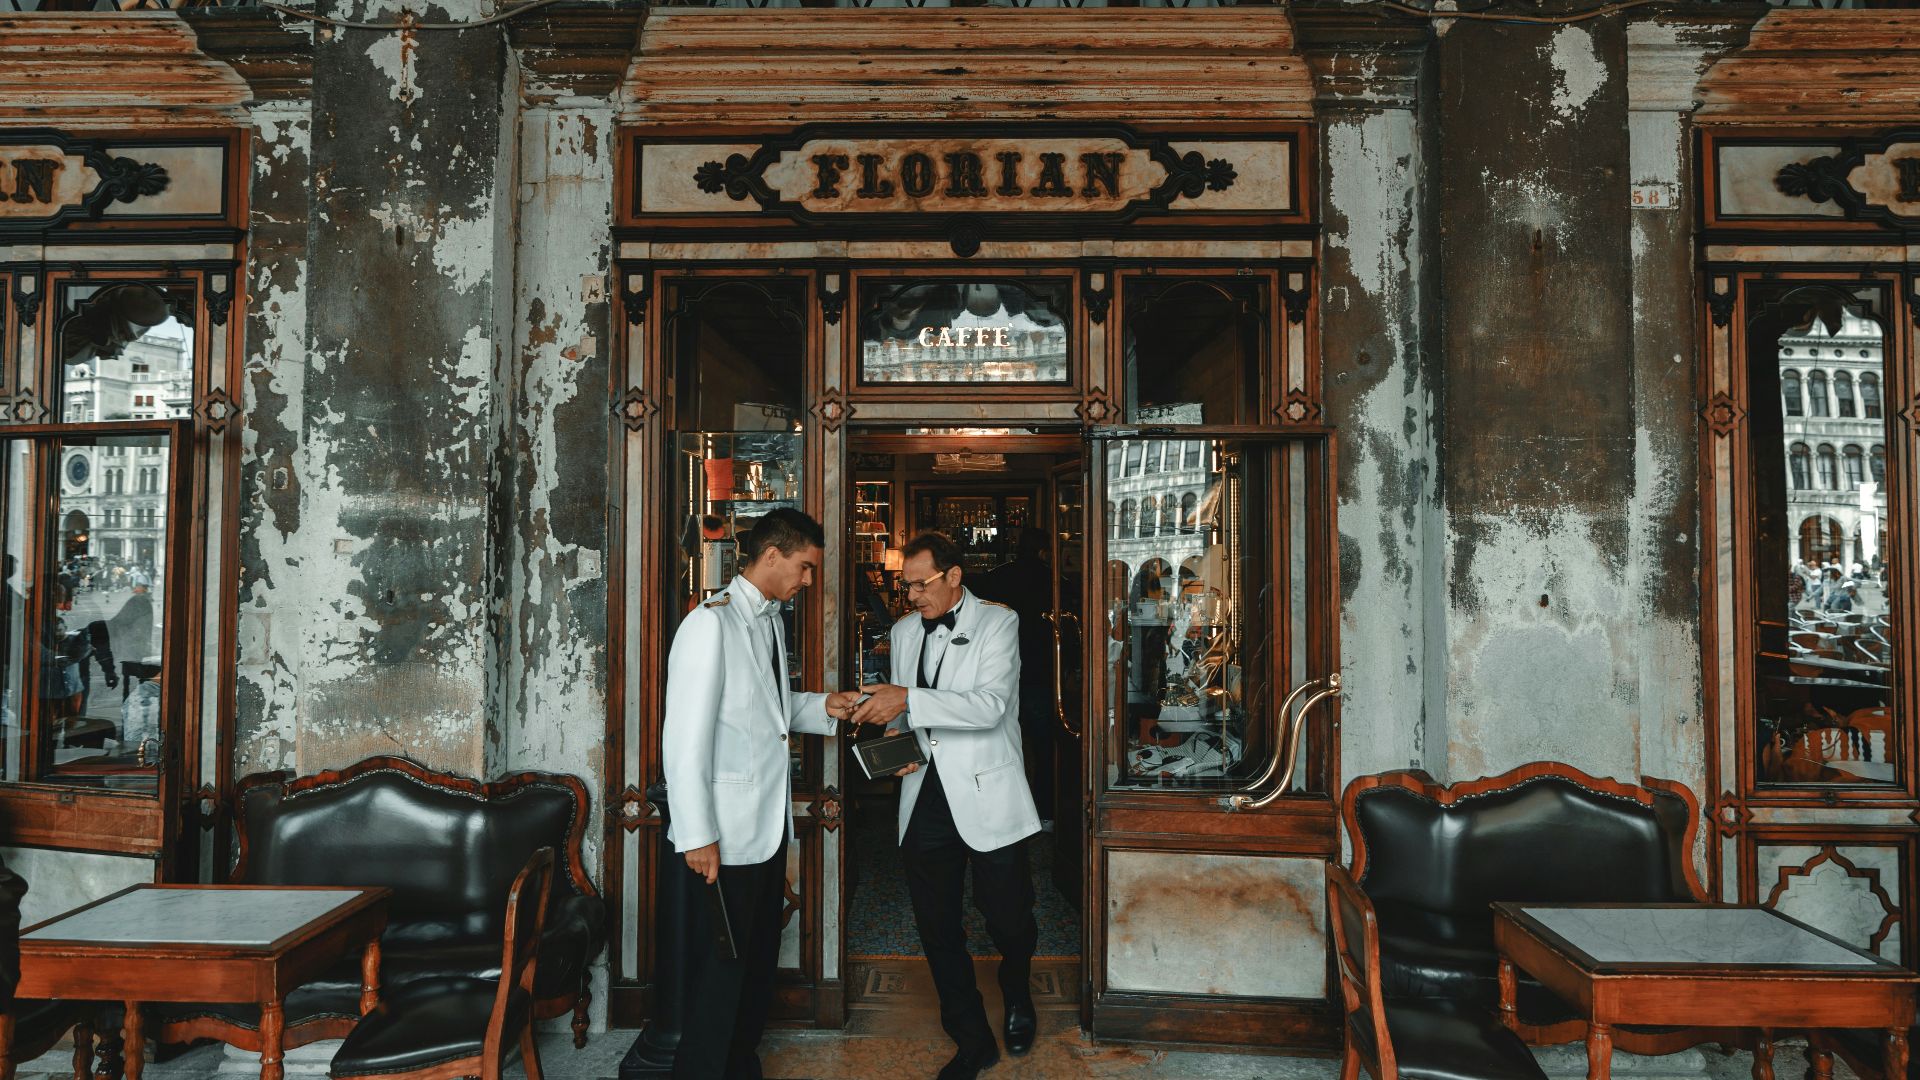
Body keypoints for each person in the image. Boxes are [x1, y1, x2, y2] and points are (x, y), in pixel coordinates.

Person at [659, 507, 861, 1080]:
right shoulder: (709, 624)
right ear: (771, 556)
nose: (807, 580)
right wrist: (697, 835)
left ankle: (740, 1066)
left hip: (768, 831)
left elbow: (771, 712)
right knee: (718, 975)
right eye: (804, 567)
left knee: (753, 970)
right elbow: (685, 738)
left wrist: (826, 705)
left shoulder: (769, 621)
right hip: (721, 836)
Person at [852, 531, 1042, 1080]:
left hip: (988, 793)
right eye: (904, 585)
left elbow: (988, 707)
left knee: (1008, 918)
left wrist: (907, 699)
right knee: (937, 928)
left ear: (954, 575)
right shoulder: (905, 630)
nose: (910, 596)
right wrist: (893, 737)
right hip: (925, 800)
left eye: (920, 584)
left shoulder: (999, 623)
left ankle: (1017, 990)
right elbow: (910, 717)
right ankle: (971, 1038)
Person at [975, 526, 1056, 826]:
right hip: (1039, 673)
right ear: (1043, 551)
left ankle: (998, 814)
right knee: (1043, 748)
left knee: (998, 747)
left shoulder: (994, 579)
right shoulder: (1053, 581)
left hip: (997, 674)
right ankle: (1044, 813)